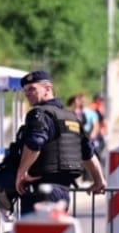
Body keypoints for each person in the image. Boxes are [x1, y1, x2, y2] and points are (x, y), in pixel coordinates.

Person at [12, 70, 107, 215]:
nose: (28, 94)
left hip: (41, 190)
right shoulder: (71, 117)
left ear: (48, 89)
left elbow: (34, 145)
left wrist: (21, 172)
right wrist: (99, 180)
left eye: (32, 89)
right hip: (63, 191)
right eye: (25, 91)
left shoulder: (39, 114)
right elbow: (88, 152)